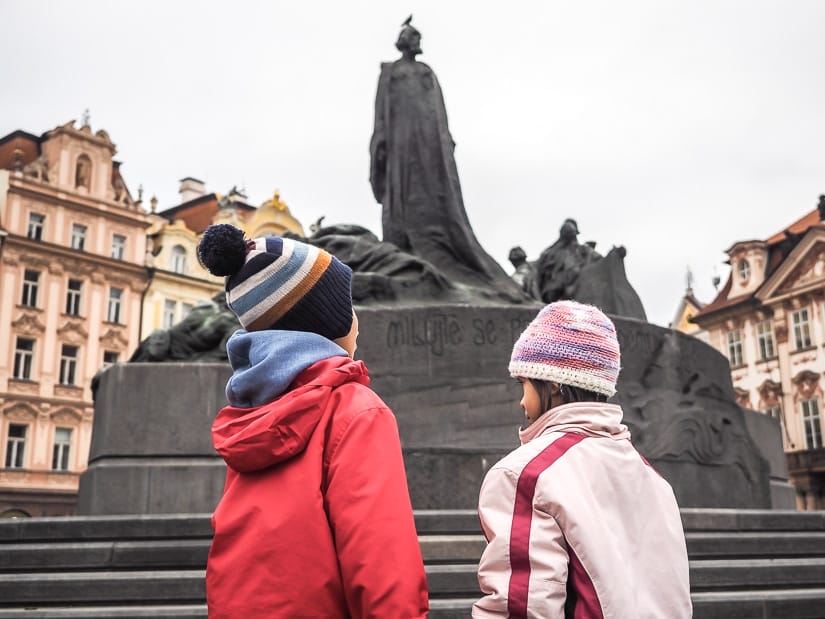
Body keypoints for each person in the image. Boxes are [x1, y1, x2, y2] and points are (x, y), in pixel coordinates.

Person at [197, 223, 429, 618]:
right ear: (330, 321)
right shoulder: (355, 409)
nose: (357, 318)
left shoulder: (250, 415)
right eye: (348, 305)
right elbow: (381, 556)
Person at [473, 300, 691, 618]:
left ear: (554, 384)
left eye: (524, 384)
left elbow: (525, 606)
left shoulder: (525, 474)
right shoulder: (652, 477)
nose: (522, 401)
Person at [369, 19, 522, 297]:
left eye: (419, 38)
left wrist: (443, 142)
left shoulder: (426, 72)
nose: (418, 42)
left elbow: (438, 111)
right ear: (404, 41)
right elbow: (381, 111)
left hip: (428, 142)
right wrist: (380, 142)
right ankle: (406, 244)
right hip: (400, 140)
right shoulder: (390, 72)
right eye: (414, 37)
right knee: (402, 191)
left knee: (432, 189)